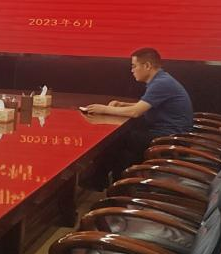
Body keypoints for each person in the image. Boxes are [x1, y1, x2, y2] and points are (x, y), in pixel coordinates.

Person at [84, 47, 195, 175]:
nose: (132, 70)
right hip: (169, 134)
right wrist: (123, 105)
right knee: (121, 147)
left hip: (170, 138)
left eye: (134, 66)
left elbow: (135, 112)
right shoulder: (161, 79)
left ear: (147, 66)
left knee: (116, 141)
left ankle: (103, 179)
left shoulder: (161, 83)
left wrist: (104, 109)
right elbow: (145, 106)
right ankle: (113, 179)